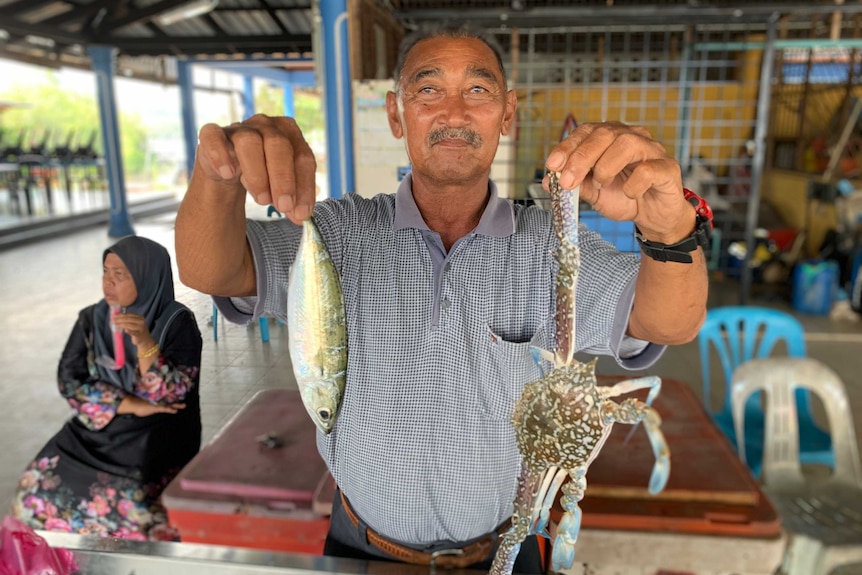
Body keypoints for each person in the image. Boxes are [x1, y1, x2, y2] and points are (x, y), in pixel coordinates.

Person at [175, 24, 708, 573]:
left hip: (507, 546)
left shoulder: (555, 246)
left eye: (478, 91)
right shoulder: (336, 232)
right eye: (428, 90)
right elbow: (209, 268)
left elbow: (668, 321)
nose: (454, 113)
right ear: (395, 114)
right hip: (362, 546)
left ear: (507, 114)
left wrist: (670, 230)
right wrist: (219, 173)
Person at [12, 236, 202, 541]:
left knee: (128, 509)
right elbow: (70, 379)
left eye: (120, 274)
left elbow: (172, 395)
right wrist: (126, 403)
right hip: (100, 424)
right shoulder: (92, 318)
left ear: (146, 275)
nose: (108, 282)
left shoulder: (176, 322)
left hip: (156, 431)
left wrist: (145, 342)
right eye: (105, 272)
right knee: (33, 489)